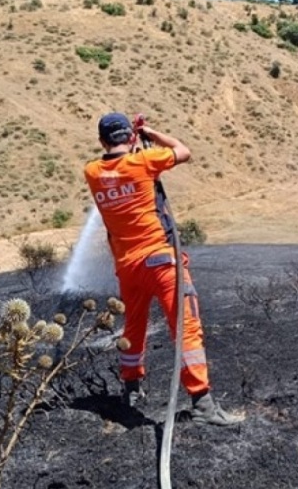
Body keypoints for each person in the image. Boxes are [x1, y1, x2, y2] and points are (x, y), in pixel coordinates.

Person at [83, 112, 241, 426]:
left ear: (102, 141)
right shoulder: (144, 161)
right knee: (186, 327)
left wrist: (135, 145)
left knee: (134, 328)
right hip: (160, 260)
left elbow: (123, 170)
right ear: (129, 137)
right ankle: (204, 405)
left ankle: (130, 387)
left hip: (127, 266)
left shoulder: (92, 171)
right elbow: (184, 151)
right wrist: (150, 133)